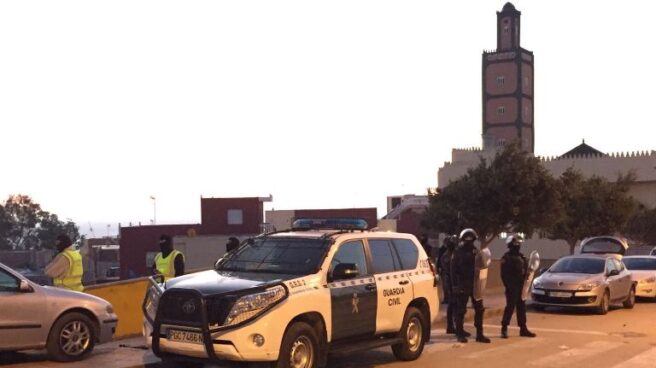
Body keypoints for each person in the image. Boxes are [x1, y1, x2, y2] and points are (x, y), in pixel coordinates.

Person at [451, 228, 490, 343]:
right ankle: (459, 333)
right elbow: (453, 270)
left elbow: (482, 267)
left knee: (479, 309)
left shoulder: (476, 251)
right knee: (461, 310)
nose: (469, 241)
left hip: (475, 284)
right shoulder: (458, 252)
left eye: (471, 238)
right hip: (463, 284)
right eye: (467, 238)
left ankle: (479, 334)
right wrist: (455, 286)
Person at [500, 234, 537, 338]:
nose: (517, 246)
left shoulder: (522, 257)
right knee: (510, 307)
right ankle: (504, 328)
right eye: (515, 244)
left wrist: (528, 274)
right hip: (512, 286)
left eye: (518, 244)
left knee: (521, 307)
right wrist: (508, 286)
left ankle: (523, 328)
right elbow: (503, 275)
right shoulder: (506, 258)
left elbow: (525, 270)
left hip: (521, 285)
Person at [438, 235, 458, 334]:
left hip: (455, 281)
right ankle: (451, 326)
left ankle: (454, 325)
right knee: (452, 304)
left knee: (455, 304)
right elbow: (449, 269)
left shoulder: (454, 254)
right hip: (450, 281)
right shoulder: (447, 255)